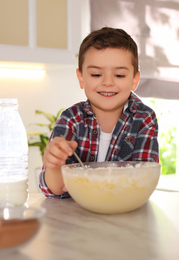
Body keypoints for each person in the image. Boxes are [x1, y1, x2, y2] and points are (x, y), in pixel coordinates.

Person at [39, 27, 159, 199]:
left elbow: (145, 180)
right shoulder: (71, 119)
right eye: (96, 74)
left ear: (134, 80)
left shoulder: (144, 119)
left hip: (124, 213)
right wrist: (54, 165)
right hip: (77, 217)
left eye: (119, 75)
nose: (108, 82)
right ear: (81, 78)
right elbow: (53, 188)